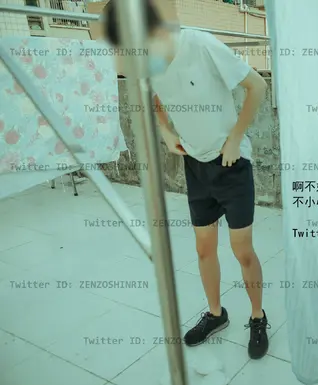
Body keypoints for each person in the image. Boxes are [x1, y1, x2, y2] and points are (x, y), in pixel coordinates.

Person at [100, 0, 270, 359]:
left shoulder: (200, 45)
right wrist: (165, 132)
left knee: (242, 251)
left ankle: (258, 316)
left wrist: (236, 138)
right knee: (204, 249)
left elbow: (257, 86)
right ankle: (216, 314)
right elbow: (154, 98)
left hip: (232, 163)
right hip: (195, 164)